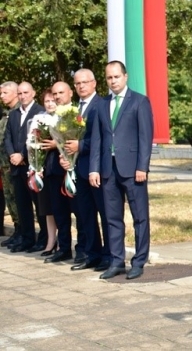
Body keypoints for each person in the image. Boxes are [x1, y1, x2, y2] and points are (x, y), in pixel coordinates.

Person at [89, 61, 154, 280]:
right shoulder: (101, 105)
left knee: (140, 217)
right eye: (109, 78)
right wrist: (94, 169)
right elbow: (97, 139)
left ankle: (139, 261)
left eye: (116, 77)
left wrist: (142, 167)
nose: (113, 81)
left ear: (125, 77)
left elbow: (146, 138)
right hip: (108, 170)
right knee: (112, 218)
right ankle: (117, 261)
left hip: (133, 169)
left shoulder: (139, 101)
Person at [63, 69, 111, 272]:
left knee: (105, 213)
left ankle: (109, 255)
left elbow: (104, 138)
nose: (81, 86)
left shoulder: (101, 105)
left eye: (85, 82)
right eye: (77, 83)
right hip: (79, 169)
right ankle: (92, 254)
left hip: (97, 169)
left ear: (94, 83)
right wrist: (67, 156)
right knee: (85, 214)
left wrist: (80, 146)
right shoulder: (74, 110)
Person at [3, 82, 45, 253]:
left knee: (39, 205)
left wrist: (22, 155)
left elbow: (39, 138)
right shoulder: (13, 114)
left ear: (33, 93)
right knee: (22, 205)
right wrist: (13, 154)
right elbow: (7, 137)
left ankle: (44, 239)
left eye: (26, 92)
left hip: (32, 167)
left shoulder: (40, 112)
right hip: (16, 167)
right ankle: (27, 238)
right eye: (20, 93)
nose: (22, 96)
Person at [40, 82, 75, 263]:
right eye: (54, 94)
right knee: (59, 212)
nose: (57, 97)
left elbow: (77, 137)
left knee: (77, 212)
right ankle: (63, 248)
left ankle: (84, 249)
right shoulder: (48, 118)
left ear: (70, 93)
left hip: (71, 170)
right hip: (53, 170)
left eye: (61, 93)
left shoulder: (74, 114)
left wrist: (57, 144)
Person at [34, 89, 59, 259]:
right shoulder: (39, 119)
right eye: (47, 101)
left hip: (59, 167)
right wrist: (36, 166)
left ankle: (62, 242)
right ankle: (51, 241)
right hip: (44, 169)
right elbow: (33, 144)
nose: (50, 104)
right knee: (48, 209)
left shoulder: (63, 118)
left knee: (60, 208)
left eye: (52, 100)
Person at [0, 81, 20, 247]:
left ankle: (23, 231)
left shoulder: (18, 112)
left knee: (18, 199)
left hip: (15, 164)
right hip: (4, 165)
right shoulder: (7, 114)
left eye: (5, 93)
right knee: (10, 198)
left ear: (15, 92)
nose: (2, 96)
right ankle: (17, 229)